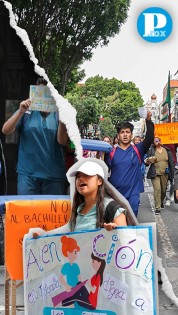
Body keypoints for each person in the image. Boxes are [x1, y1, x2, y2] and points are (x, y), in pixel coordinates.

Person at [2, 78, 68, 195]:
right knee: (27, 210)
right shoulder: (27, 112)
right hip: (28, 174)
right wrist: (21, 111)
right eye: (40, 92)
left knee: (50, 213)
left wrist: (63, 119)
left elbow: (62, 141)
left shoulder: (58, 114)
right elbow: (6, 130)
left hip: (53, 176)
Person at [106, 111, 154, 217]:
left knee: (131, 220)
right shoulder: (111, 152)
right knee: (118, 222)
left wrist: (148, 121)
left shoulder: (138, 149)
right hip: (116, 194)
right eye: (122, 132)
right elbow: (104, 171)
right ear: (118, 136)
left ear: (131, 135)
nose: (125, 134)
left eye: (127, 132)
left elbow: (149, 138)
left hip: (133, 193)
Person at [145, 137, 174, 215]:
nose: (157, 142)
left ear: (161, 141)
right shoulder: (151, 150)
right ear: (153, 142)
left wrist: (172, 173)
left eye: (158, 140)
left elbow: (171, 163)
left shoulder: (166, 150)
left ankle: (161, 202)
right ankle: (157, 207)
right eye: (156, 141)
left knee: (163, 190)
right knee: (157, 189)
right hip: (155, 173)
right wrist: (148, 161)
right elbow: (146, 161)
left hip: (165, 173)